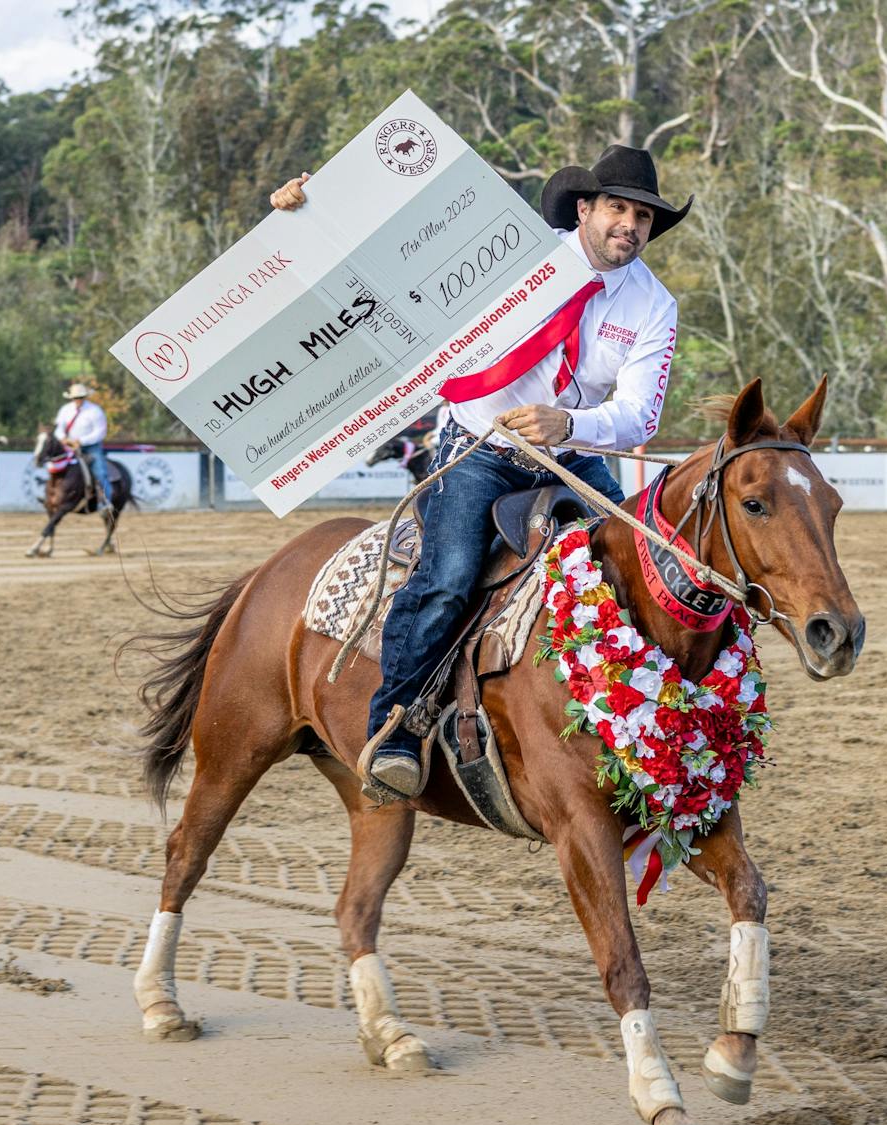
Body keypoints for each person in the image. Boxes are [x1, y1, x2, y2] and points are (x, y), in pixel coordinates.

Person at [270, 144, 691, 800]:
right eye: (617, 208)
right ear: (584, 209)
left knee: (642, 571)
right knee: (451, 577)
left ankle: (644, 723)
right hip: (480, 448)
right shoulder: (511, 252)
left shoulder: (652, 305)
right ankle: (396, 729)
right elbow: (396, 265)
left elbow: (639, 415)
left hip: (572, 457)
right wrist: (312, 208)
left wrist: (570, 426)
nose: (629, 226)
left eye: (642, 216)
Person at [54, 383, 113, 511]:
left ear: (85, 397)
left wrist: (81, 441)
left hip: (91, 447)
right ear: (71, 398)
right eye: (75, 397)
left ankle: (106, 503)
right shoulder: (65, 410)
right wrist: (63, 438)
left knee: (100, 472)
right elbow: (58, 428)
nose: (78, 400)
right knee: (55, 467)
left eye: (80, 397)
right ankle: (53, 495)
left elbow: (100, 432)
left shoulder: (95, 411)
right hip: (69, 447)